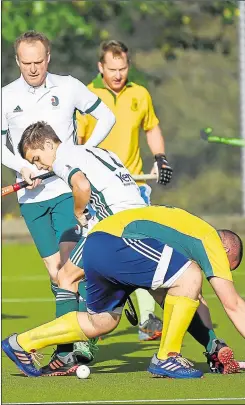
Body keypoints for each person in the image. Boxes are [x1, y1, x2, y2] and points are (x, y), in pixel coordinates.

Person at [2, 204, 244, 378]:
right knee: (191, 273)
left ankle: (21, 343)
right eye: (225, 265)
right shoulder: (209, 240)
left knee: (102, 322)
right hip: (118, 242)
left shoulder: (183, 239)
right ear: (224, 247)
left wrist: (212, 344)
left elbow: (181, 300)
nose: (219, 271)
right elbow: (233, 304)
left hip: (98, 243)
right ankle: (167, 356)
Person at [2, 31, 115, 365]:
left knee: (68, 270)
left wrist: (82, 153)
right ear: (17, 61)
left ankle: (70, 348)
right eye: (26, 63)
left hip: (67, 191)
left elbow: (106, 116)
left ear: (48, 57)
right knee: (56, 276)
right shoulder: (6, 96)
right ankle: (75, 335)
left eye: (39, 62)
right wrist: (23, 167)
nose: (33, 69)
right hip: (32, 199)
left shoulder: (67, 86)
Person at [16, 120, 147, 375]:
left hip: (117, 228)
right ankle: (211, 345)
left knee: (65, 277)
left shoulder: (64, 156)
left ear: (47, 144)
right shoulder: (96, 150)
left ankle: (64, 352)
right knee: (169, 287)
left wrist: (78, 211)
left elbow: (83, 186)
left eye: (37, 158)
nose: (40, 165)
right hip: (142, 220)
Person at [76, 39, 173, 341]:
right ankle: (95, 315)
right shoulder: (87, 96)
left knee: (141, 246)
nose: (118, 75)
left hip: (134, 187)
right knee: (94, 251)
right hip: (98, 191)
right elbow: (78, 141)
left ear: (128, 66)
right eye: (112, 69)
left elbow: (151, 127)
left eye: (123, 68)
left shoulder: (139, 94)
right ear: (100, 67)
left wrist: (160, 158)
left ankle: (147, 320)